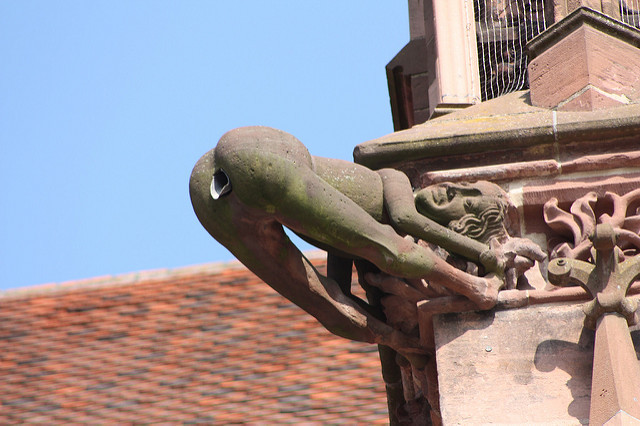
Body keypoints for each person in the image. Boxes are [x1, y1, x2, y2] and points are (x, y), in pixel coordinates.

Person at [189, 126, 543, 356]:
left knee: (326, 302)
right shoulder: (395, 178)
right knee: (389, 249)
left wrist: (391, 337)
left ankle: (401, 345)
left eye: (467, 202)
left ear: (459, 225)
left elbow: (337, 285)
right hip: (262, 157)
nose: (454, 189)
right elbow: (405, 223)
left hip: (210, 191)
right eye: (464, 187)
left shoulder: (340, 229)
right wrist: (483, 255)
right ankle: (476, 289)